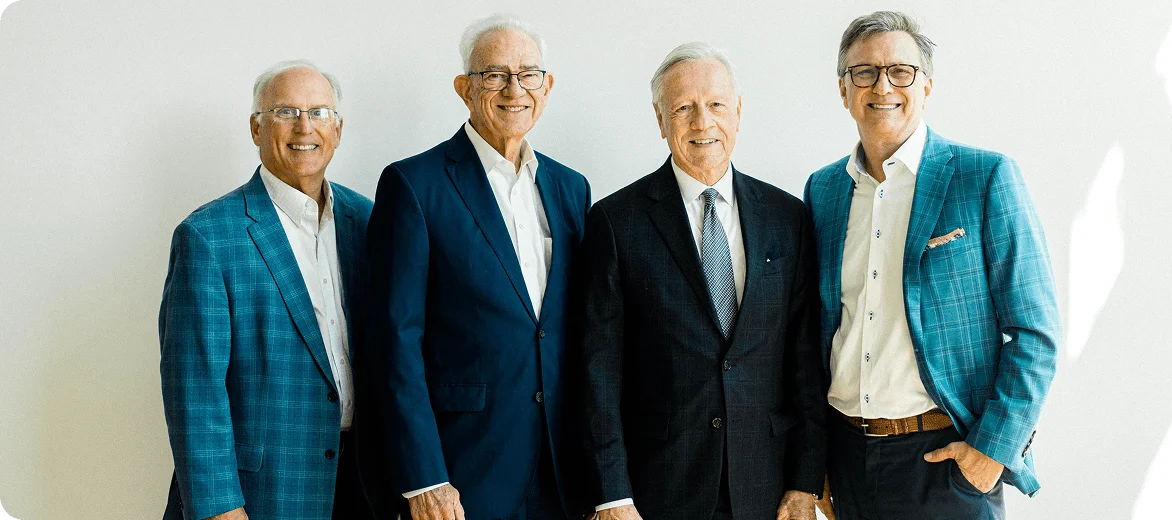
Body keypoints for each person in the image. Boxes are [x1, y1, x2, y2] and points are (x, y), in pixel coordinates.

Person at [803, 11, 1061, 519]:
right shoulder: (823, 191)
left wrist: (991, 452)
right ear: (843, 90)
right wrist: (815, 462)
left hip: (946, 463)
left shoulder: (983, 177)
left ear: (926, 86)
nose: (883, 86)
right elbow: (814, 336)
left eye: (901, 71)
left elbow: (1035, 331)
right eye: (864, 72)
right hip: (848, 460)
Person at [581, 42, 827, 520]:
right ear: (660, 119)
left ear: (738, 112)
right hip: (657, 489)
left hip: (766, 487)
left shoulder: (787, 217)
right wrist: (613, 495)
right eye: (683, 108)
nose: (702, 122)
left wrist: (805, 480)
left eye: (716, 104)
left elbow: (804, 361)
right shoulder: (615, 221)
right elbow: (599, 371)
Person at [362, 14, 590, 520]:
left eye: (528, 74)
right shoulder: (414, 185)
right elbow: (394, 342)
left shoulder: (571, 188)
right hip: (462, 472)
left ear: (547, 86)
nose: (514, 89)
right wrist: (424, 476)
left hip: (562, 471)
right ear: (465, 89)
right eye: (494, 75)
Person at [159, 60, 375, 520]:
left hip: (365, 485)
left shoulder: (368, 221)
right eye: (285, 112)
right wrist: (220, 509)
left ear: (337, 129)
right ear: (256, 128)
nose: (305, 127)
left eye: (319, 112)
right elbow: (194, 390)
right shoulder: (208, 237)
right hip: (262, 493)